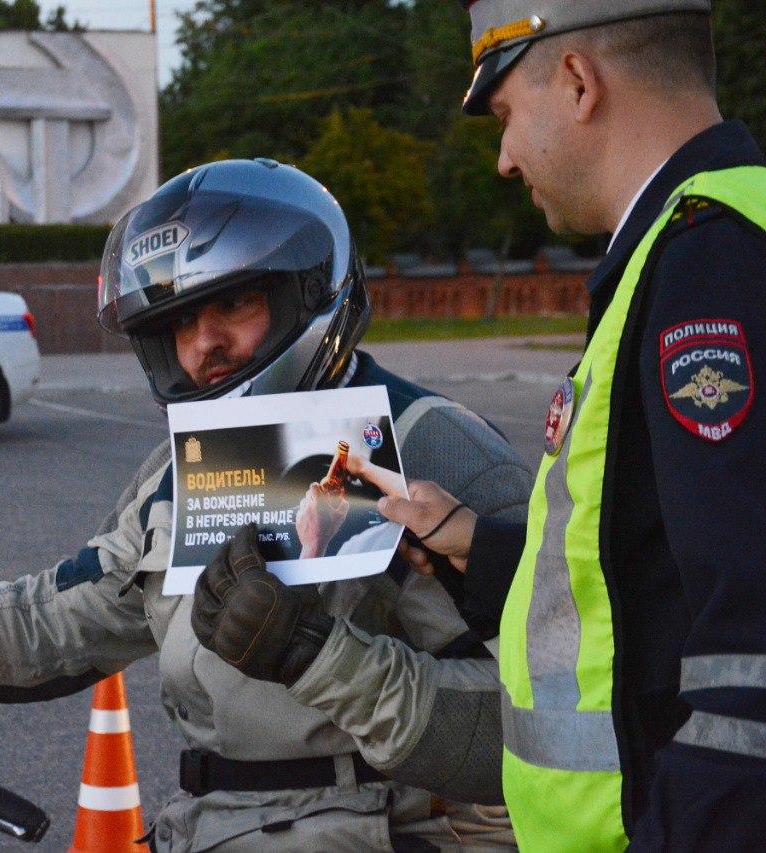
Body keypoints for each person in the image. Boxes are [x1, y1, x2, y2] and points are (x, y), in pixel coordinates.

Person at [0, 159, 533, 851]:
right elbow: (66, 616)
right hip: (207, 826)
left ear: (307, 290)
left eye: (232, 304)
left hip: (378, 833)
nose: (201, 345)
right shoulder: (186, 469)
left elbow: (536, 718)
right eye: (176, 323)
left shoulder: (429, 447)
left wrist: (315, 654)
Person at [253, 3, 766, 849]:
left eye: (504, 117)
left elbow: (746, 634)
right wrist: (470, 544)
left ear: (576, 83)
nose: (502, 158)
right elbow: (648, 565)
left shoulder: (706, 264)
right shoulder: (696, 244)